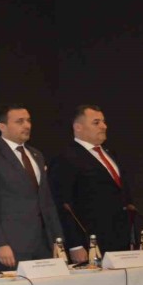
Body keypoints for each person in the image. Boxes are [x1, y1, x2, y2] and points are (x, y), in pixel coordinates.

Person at [0, 104, 63, 270]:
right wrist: (0, 243)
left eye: (28, 120)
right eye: (20, 121)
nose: (27, 125)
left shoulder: (36, 155)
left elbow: (47, 202)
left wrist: (58, 239)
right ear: (2, 126)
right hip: (12, 246)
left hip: (45, 244)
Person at [48, 105, 133, 261]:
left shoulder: (110, 153)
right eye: (96, 122)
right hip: (91, 242)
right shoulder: (65, 158)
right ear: (78, 127)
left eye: (103, 121)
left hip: (122, 239)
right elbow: (63, 206)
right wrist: (75, 245)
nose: (104, 126)